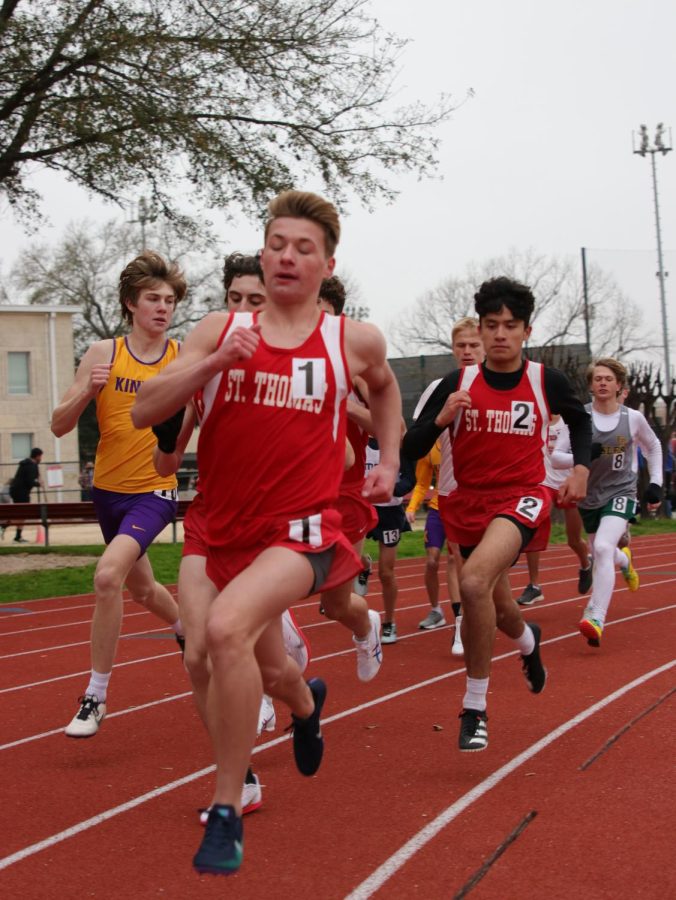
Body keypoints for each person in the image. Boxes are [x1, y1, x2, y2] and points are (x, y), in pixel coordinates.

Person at [132, 190, 402, 876]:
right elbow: (145, 411)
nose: (287, 256)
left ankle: (229, 801)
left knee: (223, 632)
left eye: (303, 248)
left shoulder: (351, 339)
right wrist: (212, 365)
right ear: (263, 252)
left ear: (325, 263)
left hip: (301, 531)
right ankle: (305, 702)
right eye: (277, 244)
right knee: (205, 656)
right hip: (214, 529)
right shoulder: (218, 331)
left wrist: (389, 460)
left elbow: (387, 389)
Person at [151, 251, 311, 822]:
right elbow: (166, 462)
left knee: (271, 670)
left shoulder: (295, 365)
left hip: (267, 533)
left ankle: (306, 704)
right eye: (235, 300)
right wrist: (172, 429)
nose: (244, 311)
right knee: (198, 654)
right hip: (208, 524)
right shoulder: (208, 359)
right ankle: (239, 778)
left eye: (256, 301)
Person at [403, 277, 591, 752]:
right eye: (492, 326)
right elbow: (410, 448)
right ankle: (528, 641)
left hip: (523, 496)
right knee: (501, 608)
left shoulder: (545, 380)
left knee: (471, 583)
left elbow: (581, 421)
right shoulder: (457, 383)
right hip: (468, 502)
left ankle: (475, 706)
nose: (500, 334)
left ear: (527, 331)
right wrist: (442, 419)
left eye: (511, 326)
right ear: (481, 332)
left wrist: (583, 470)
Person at [51, 250, 187, 738]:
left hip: (155, 490)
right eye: (153, 298)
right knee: (143, 588)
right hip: (108, 493)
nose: (163, 307)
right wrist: (87, 390)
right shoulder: (103, 353)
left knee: (107, 576)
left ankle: (95, 696)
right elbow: (59, 425)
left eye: (170, 300)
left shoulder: (181, 358)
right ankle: (185, 627)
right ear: (131, 303)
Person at [552, 358, 662, 647]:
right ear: (590, 384)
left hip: (621, 491)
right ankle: (625, 561)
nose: (602, 382)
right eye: (597, 378)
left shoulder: (632, 418)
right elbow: (556, 456)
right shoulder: (579, 418)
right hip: (588, 495)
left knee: (601, 548)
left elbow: (653, 446)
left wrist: (656, 483)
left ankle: (596, 616)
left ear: (619, 386)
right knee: (605, 552)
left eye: (608, 379)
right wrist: (585, 453)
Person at [316, 275, 383, 681]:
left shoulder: (353, 366)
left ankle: (366, 627)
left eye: (321, 314)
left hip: (347, 495)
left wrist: (344, 403)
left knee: (334, 605)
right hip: (297, 493)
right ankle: (266, 689)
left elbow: (389, 427)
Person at [407, 317, 486, 655]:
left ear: (484, 347)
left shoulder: (506, 386)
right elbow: (414, 440)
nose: (467, 352)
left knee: (487, 569)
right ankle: (461, 624)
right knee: (457, 559)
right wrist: (442, 417)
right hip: (453, 489)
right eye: (461, 346)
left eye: (473, 345)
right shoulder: (440, 387)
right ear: (453, 350)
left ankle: (507, 625)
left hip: (498, 491)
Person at [517, 415, 592, 606]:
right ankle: (534, 586)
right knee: (533, 533)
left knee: (573, 539)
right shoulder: (535, 419)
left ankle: (585, 564)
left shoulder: (569, 423)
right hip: (542, 483)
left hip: (567, 483)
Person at [366, 437, 416, 644]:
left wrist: (392, 489)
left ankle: (389, 622)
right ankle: (361, 566)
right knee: (343, 554)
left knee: (386, 572)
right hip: (363, 507)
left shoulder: (397, 445)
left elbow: (410, 479)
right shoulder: (356, 442)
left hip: (390, 512)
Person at [6, 447, 44, 542]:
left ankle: (17, 536)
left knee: (20, 514)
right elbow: (29, 481)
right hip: (22, 493)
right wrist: (39, 484)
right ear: (37, 456)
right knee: (22, 514)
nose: (41, 458)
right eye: (41, 456)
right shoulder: (32, 466)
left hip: (15, 491)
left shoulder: (24, 464)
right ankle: (5, 526)